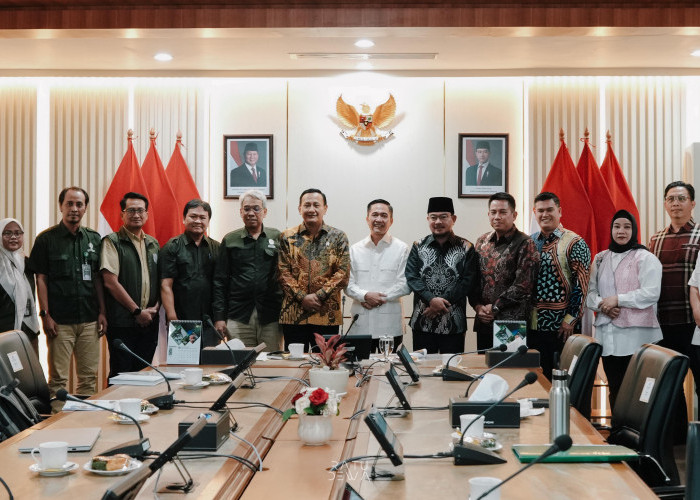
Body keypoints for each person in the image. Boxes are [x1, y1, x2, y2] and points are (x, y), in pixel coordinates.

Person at [28, 187, 107, 410]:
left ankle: (84, 420)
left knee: (88, 378)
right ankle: (57, 422)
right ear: (61, 206)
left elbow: (98, 279)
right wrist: (45, 315)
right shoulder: (46, 239)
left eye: (79, 204)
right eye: (69, 204)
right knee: (58, 380)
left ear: (85, 208)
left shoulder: (94, 239)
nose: (74, 209)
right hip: (59, 321)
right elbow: (41, 279)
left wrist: (102, 311)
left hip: (89, 319)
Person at [587, 210, 662, 410]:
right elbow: (590, 294)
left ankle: (639, 431)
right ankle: (618, 428)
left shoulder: (645, 257)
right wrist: (604, 305)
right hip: (608, 338)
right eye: (617, 226)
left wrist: (618, 300)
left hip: (637, 337)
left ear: (634, 230)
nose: (621, 231)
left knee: (640, 393)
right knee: (615, 389)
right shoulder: (600, 258)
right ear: (611, 229)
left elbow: (651, 293)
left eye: (627, 227)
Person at [649, 181, 700, 440]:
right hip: (663, 323)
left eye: (681, 198)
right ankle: (678, 440)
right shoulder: (656, 239)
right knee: (670, 384)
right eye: (671, 199)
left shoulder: (699, 235)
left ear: (692, 203)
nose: (676, 204)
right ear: (665, 204)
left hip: (694, 324)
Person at [278, 188, 350, 350]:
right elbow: (283, 273)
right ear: (299, 209)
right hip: (294, 315)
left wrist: (318, 296)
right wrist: (302, 297)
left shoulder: (338, 237)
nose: (311, 209)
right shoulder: (287, 237)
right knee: (295, 361)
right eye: (307, 205)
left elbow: (342, 273)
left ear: (325, 208)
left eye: (316, 205)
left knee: (327, 360)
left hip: (327, 315)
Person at [529, 191, 591, 380]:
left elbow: (582, 284)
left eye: (550, 209)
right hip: (533, 325)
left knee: (562, 380)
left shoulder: (575, 242)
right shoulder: (530, 241)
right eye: (540, 211)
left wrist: (570, 319)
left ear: (560, 211)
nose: (545, 214)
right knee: (537, 378)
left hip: (562, 327)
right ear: (534, 212)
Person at [405, 196, 479, 353]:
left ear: (453, 219)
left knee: (451, 366)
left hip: (453, 323)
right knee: (422, 366)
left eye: (443, 217)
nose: (438, 222)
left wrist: (440, 304)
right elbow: (412, 277)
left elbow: (467, 282)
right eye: (433, 217)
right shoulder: (418, 246)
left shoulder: (466, 247)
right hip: (422, 321)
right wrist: (431, 299)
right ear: (428, 219)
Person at [212, 189, 283, 352]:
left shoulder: (277, 237)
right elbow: (220, 281)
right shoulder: (230, 240)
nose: (251, 213)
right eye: (247, 209)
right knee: (240, 361)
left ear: (265, 212)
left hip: (271, 314)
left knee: (271, 361)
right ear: (241, 212)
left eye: (256, 208)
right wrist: (219, 317)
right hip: (238, 314)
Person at [100, 192, 160, 379]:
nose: (136, 215)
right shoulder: (112, 241)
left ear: (147, 214)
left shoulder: (153, 244)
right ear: (122, 214)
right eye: (131, 210)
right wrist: (136, 312)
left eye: (140, 210)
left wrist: (155, 308)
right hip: (123, 322)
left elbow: (161, 281)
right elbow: (110, 282)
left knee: (144, 375)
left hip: (149, 322)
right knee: (122, 375)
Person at [469, 193, 539, 351]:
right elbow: (473, 279)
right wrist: (478, 307)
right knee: (484, 364)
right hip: (484, 320)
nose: (497, 217)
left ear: (514, 215)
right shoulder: (482, 241)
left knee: (507, 364)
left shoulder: (525, 243)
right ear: (488, 214)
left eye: (503, 212)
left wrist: (495, 308)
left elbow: (524, 285)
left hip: (511, 323)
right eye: (493, 212)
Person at [345, 199, 410, 352]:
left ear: (391, 220)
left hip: (389, 325)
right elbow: (347, 284)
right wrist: (365, 295)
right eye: (374, 215)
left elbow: (405, 285)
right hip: (361, 325)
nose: (379, 219)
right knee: (359, 365)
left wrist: (378, 298)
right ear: (367, 218)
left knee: (389, 364)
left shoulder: (402, 249)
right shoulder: (354, 250)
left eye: (384, 215)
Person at [159, 199, 220, 347]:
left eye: (202, 217)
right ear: (184, 218)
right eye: (193, 216)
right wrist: (172, 316)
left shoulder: (217, 247)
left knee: (211, 360)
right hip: (182, 319)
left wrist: (220, 318)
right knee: (183, 359)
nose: (198, 221)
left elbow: (221, 285)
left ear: (208, 221)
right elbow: (165, 285)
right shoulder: (172, 247)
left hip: (210, 321)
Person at [0, 218, 40, 354]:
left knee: (29, 366)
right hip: (4, 330)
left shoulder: (27, 263)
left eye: (18, 233)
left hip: (28, 328)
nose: (13, 237)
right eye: (7, 233)